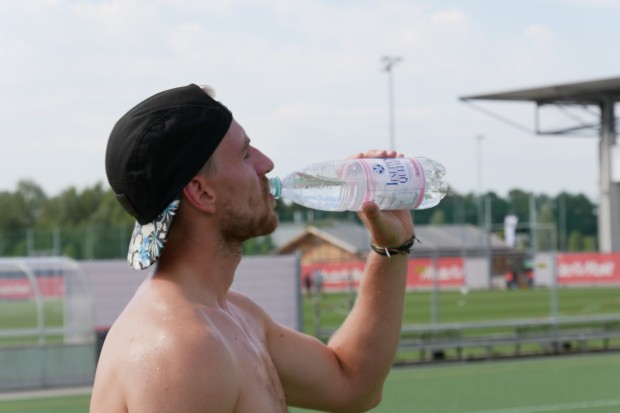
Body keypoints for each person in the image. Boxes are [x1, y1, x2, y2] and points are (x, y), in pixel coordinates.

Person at [90, 84, 415, 413]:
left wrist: (391, 247)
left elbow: (352, 383)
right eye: (245, 154)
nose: (267, 163)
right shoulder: (179, 348)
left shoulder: (233, 314)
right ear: (202, 192)